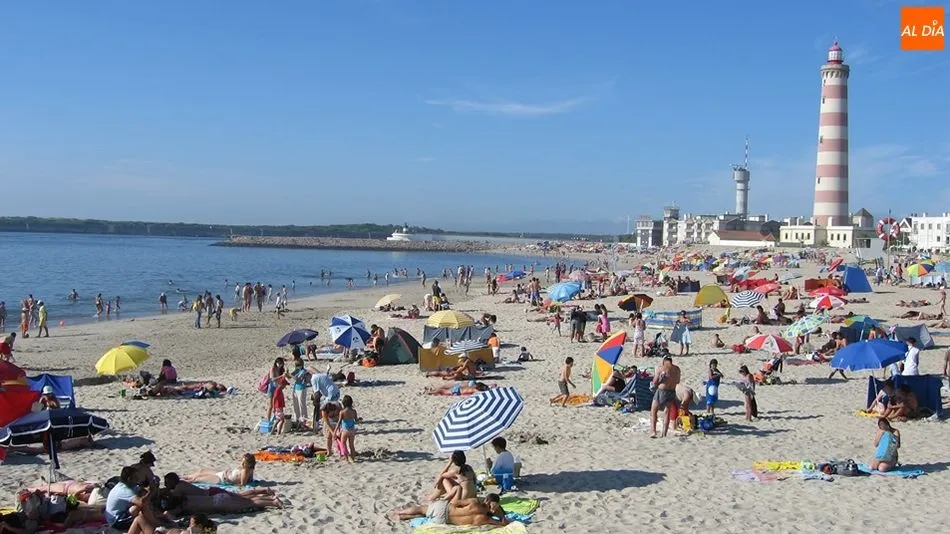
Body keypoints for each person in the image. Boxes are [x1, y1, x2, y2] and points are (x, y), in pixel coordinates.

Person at [388, 495, 508, 527]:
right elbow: (503, 523)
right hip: (443, 520)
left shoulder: (474, 502)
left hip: (444, 508)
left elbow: (455, 502)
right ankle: (409, 517)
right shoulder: (485, 519)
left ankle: (399, 513)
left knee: (422, 509)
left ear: (486, 499)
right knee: (426, 516)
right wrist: (500, 515)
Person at [105, 466, 150, 531]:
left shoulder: (130, 485)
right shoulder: (123, 490)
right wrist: (151, 492)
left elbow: (142, 490)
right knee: (136, 508)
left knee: (142, 501)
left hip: (122, 513)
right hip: (116, 521)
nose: (137, 480)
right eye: (136, 478)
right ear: (129, 479)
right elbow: (141, 503)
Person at [649, 356, 680, 438]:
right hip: (672, 391)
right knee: (667, 412)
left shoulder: (661, 368)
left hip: (662, 391)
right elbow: (678, 381)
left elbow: (654, 382)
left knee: (654, 410)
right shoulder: (677, 369)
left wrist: (660, 380)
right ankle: (664, 434)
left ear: (664, 361)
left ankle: (653, 432)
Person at [182, 453, 256, 487]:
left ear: (249, 464)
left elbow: (242, 484)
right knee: (201, 471)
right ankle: (182, 477)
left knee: (198, 478)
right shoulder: (247, 469)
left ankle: (182, 480)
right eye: (242, 461)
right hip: (222, 474)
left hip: (221, 479)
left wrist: (231, 483)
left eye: (244, 463)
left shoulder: (245, 471)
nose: (242, 464)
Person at [335, 395, 358, 463]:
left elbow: (339, 422)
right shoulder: (354, 411)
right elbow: (356, 420)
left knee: (343, 444)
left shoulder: (342, 412)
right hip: (352, 430)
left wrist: (335, 431)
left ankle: (346, 459)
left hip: (345, 430)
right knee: (352, 445)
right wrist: (359, 419)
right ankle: (353, 458)